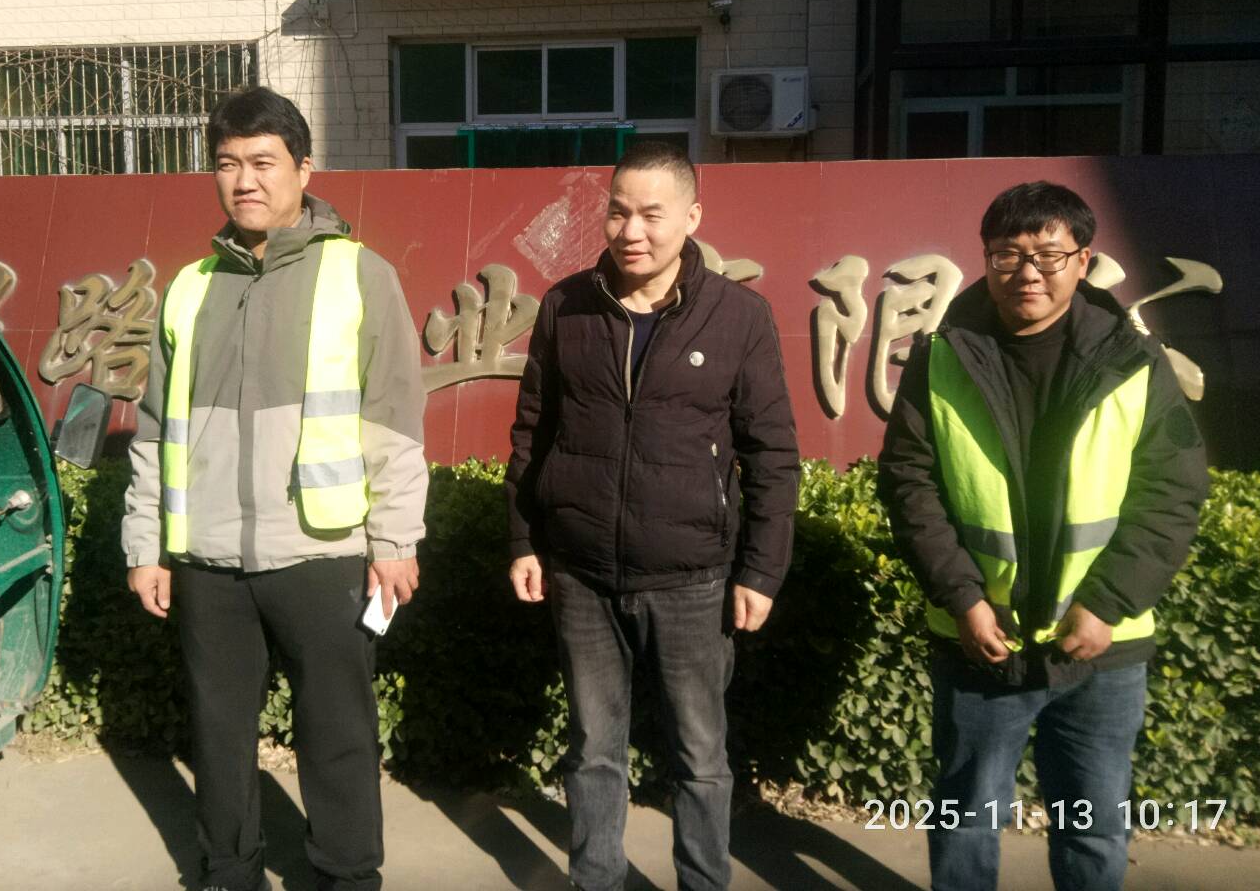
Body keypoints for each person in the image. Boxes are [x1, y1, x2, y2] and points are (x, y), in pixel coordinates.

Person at [121, 86, 428, 891]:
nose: (244, 180)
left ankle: (347, 875)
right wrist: (146, 546)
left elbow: (394, 418)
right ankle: (229, 873)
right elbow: (154, 428)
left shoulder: (359, 274)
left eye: (263, 162)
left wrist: (395, 540)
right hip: (209, 559)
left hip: (321, 553)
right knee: (218, 736)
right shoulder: (189, 287)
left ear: (303, 169)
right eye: (227, 164)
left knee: (338, 735)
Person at [877, 181, 1208, 891]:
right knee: (966, 818)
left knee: (1092, 825)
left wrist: (1107, 603)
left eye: (1048, 255)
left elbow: (1172, 492)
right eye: (1007, 254)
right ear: (985, 258)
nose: (1027, 271)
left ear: (1082, 261)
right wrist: (964, 599)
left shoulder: (1133, 360)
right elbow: (909, 484)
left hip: (1101, 648)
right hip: (980, 638)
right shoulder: (942, 356)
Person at [506, 141, 800, 891]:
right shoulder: (566, 307)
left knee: (700, 755)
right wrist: (524, 539)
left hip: (692, 578)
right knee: (592, 748)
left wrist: (761, 570)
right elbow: (533, 432)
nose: (630, 231)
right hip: (581, 573)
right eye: (617, 212)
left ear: (692, 217)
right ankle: (595, 879)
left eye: (650, 215)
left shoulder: (738, 316)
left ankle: (703, 880)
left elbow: (771, 453)